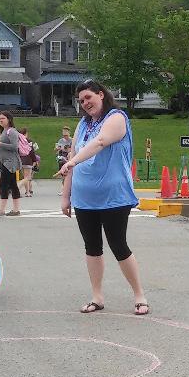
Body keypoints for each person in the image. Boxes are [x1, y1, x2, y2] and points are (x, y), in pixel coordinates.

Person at [56, 80, 149, 316]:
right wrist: (66, 196)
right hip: (84, 198)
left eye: (88, 97)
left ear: (101, 94)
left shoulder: (116, 118)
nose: (85, 103)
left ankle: (139, 295)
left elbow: (100, 143)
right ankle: (97, 296)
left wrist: (73, 161)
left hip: (114, 196)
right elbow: (73, 157)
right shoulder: (83, 124)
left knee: (118, 244)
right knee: (92, 247)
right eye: (81, 101)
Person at [0, 111, 22, 216]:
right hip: (5, 162)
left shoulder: (12, 131)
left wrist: (0, 144)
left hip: (10, 163)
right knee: (13, 185)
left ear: (9, 119)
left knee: (3, 185)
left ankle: (2, 210)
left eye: (3, 118)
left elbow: (15, 146)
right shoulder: (4, 131)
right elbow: (4, 147)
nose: (1, 120)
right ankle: (16, 210)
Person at [17, 127, 37, 197]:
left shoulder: (17, 141)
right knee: (27, 177)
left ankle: (27, 192)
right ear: (26, 133)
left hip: (20, 160)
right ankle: (17, 188)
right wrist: (35, 160)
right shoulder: (28, 141)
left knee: (25, 177)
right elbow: (31, 151)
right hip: (28, 160)